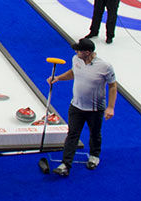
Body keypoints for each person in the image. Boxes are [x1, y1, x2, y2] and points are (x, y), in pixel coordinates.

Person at [48, 38, 118, 176]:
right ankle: (65, 164)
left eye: (79, 50)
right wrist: (58, 78)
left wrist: (111, 107)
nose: (76, 51)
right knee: (72, 134)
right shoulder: (76, 59)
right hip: (76, 106)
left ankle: (94, 156)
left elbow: (113, 86)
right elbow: (73, 72)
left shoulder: (105, 66)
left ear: (87, 52)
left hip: (95, 109)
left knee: (95, 133)